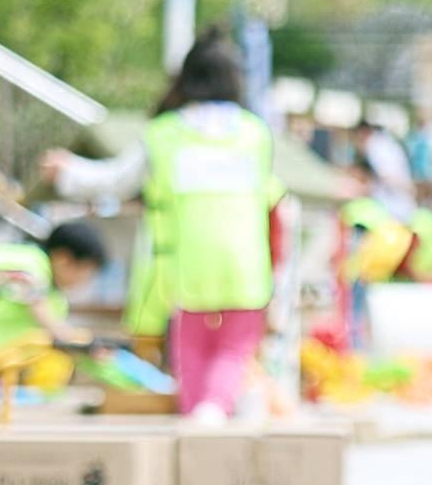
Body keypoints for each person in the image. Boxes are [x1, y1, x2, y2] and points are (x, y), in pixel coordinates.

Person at [43, 39, 286, 421]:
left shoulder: (165, 134)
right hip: (245, 267)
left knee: (190, 351)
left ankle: (198, 417)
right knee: (233, 350)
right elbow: (274, 203)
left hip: (185, 267)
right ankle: (213, 409)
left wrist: (69, 172)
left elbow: (116, 180)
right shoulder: (255, 134)